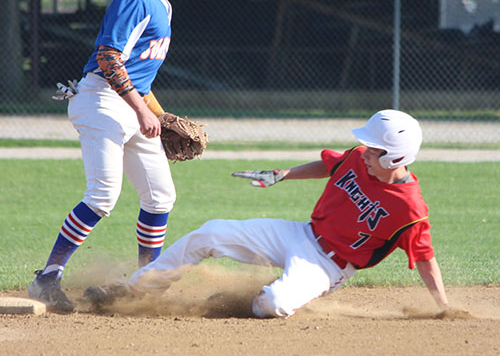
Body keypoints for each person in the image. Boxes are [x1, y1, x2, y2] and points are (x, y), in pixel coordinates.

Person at [84, 109, 452, 318]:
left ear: (396, 158)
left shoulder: (410, 208)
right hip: (301, 233)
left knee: (272, 305)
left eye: (374, 149)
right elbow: (331, 165)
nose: (364, 150)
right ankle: (132, 289)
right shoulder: (358, 159)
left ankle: (248, 301)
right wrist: (284, 174)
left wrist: (445, 308)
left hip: (330, 266)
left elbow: (425, 259)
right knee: (210, 233)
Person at [28, 0, 209, 313]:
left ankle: (143, 283)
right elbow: (109, 57)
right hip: (101, 102)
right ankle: (47, 277)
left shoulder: (162, 1)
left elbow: (140, 75)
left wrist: (158, 114)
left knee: (161, 196)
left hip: (128, 103)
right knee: (102, 195)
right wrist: (142, 110)